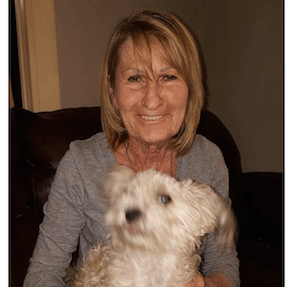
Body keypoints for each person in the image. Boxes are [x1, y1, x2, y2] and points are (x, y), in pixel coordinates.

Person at [23, 8, 240, 287]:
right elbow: (42, 273)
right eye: (135, 78)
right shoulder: (80, 163)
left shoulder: (208, 159)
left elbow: (224, 261)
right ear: (114, 94)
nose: (152, 99)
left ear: (191, 89)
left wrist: (206, 285)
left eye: (168, 76)